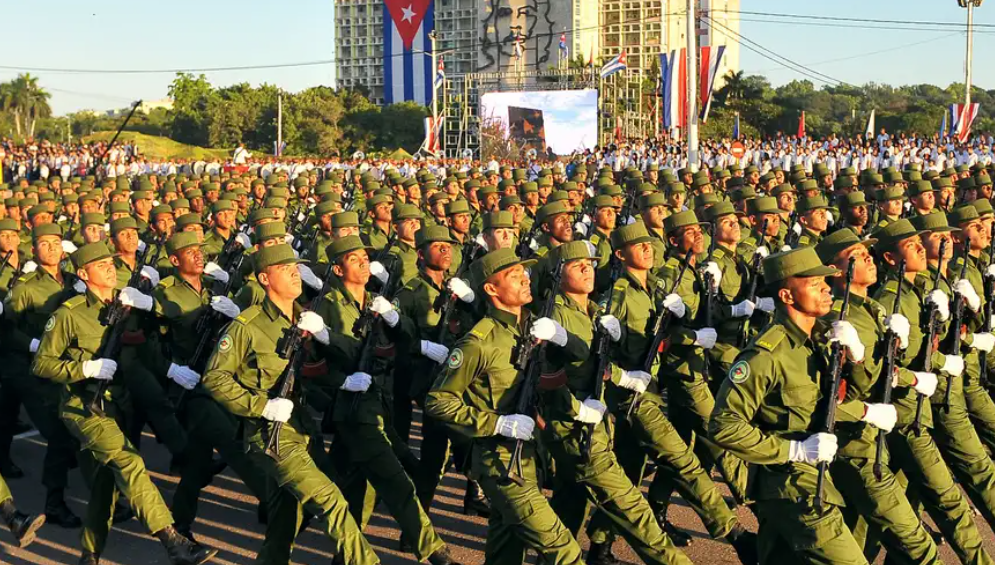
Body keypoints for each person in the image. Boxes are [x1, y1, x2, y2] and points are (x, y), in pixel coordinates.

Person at [33, 241, 218, 565]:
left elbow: (143, 345)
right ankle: (174, 541)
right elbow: (42, 364)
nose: (109, 268)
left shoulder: (125, 303)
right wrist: (85, 369)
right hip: (83, 406)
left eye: (110, 263)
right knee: (129, 462)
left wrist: (170, 370)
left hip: (118, 404)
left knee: (107, 482)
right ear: (83, 274)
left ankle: (90, 554)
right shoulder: (69, 314)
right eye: (100, 265)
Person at [200, 242, 381, 565]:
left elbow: (331, 363)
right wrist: (262, 406)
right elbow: (214, 378)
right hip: (270, 434)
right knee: (330, 500)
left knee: (285, 517)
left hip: (303, 427)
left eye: (295, 268)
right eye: (285, 269)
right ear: (264, 279)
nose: (295, 275)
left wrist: (325, 338)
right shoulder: (247, 326)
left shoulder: (304, 317)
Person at [710, 246, 893, 564]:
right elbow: (723, 426)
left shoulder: (821, 340)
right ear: (786, 295)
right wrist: (794, 450)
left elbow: (842, 399)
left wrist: (858, 358)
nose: (826, 288)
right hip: (789, 483)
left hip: (816, 474)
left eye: (825, 281)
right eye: (814, 283)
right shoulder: (767, 355)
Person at [426, 247, 596, 565]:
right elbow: (438, 401)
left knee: (506, 550)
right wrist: (497, 423)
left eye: (524, 273)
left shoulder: (533, 328)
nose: (525, 279)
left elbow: (581, 355)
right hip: (499, 463)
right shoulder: (479, 343)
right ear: (491, 289)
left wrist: (561, 336)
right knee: (564, 550)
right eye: (514, 275)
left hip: (529, 458)